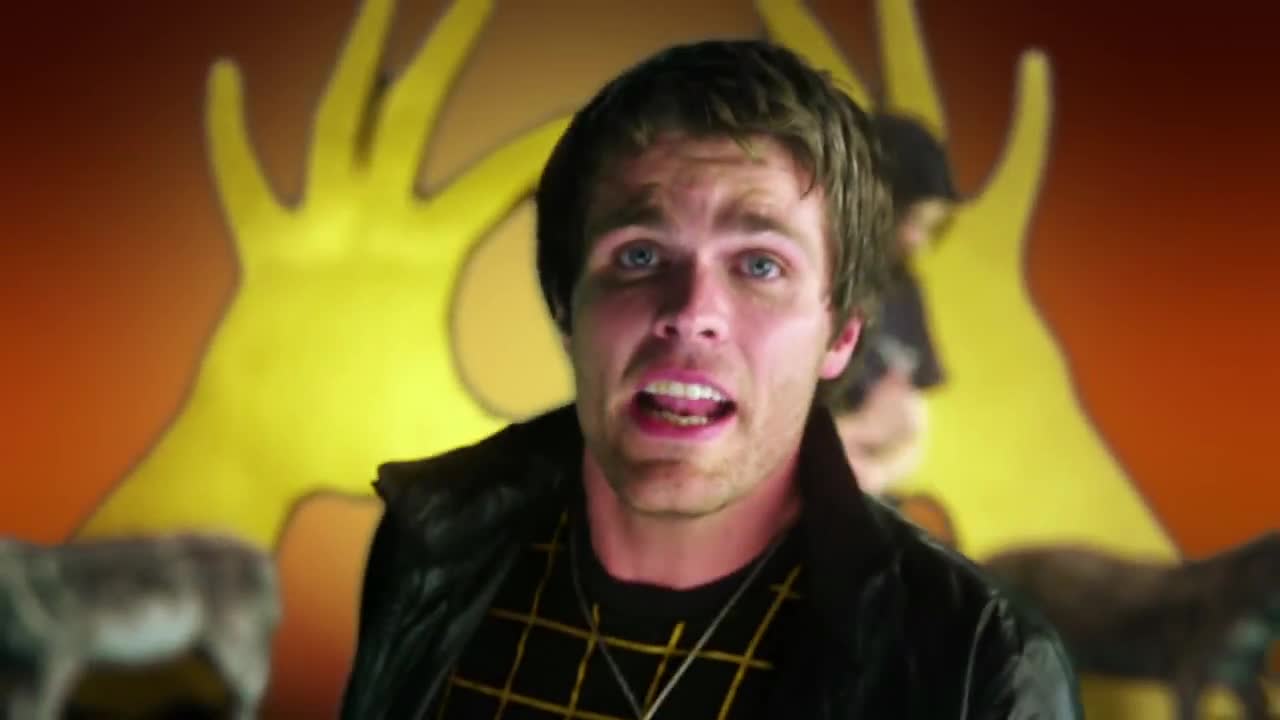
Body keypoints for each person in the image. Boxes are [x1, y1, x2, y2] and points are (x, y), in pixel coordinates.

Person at [339, 40, 1080, 720]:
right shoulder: (429, 554)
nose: (692, 313)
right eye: (639, 255)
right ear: (565, 303)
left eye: (760, 265)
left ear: (842, 336)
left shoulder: (981, 664)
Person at [831, 112, 959, 500]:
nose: (918, 240)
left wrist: (877, 472)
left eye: (932, 227)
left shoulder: (905, 292)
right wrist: (857, 431)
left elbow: (913, 422)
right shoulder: (815, 281)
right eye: (912, 219)